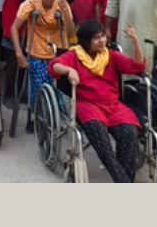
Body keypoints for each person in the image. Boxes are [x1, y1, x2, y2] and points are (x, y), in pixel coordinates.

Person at [50, 20, 147, 182]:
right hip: (88, 105)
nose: (102, 41)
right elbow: (54, 66)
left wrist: (136, 42)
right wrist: (69, 69)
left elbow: (137, 66)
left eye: (103, 36)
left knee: (129, 133)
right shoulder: (75, 55)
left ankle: (124, 181)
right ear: (86, 41)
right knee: (103, 145)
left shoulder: (111, 55)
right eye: (97, 38)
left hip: (113, 106)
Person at [11, 0, 76, 113]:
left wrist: (65, 10)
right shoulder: (30, 4)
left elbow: (71, 33)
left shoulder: (62, 5)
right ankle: (37, 115)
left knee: (59, 92)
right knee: (40, 90)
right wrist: (19, 54)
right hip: (37, 53)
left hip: (58, 54)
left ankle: (56, 117)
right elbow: (14, 28)